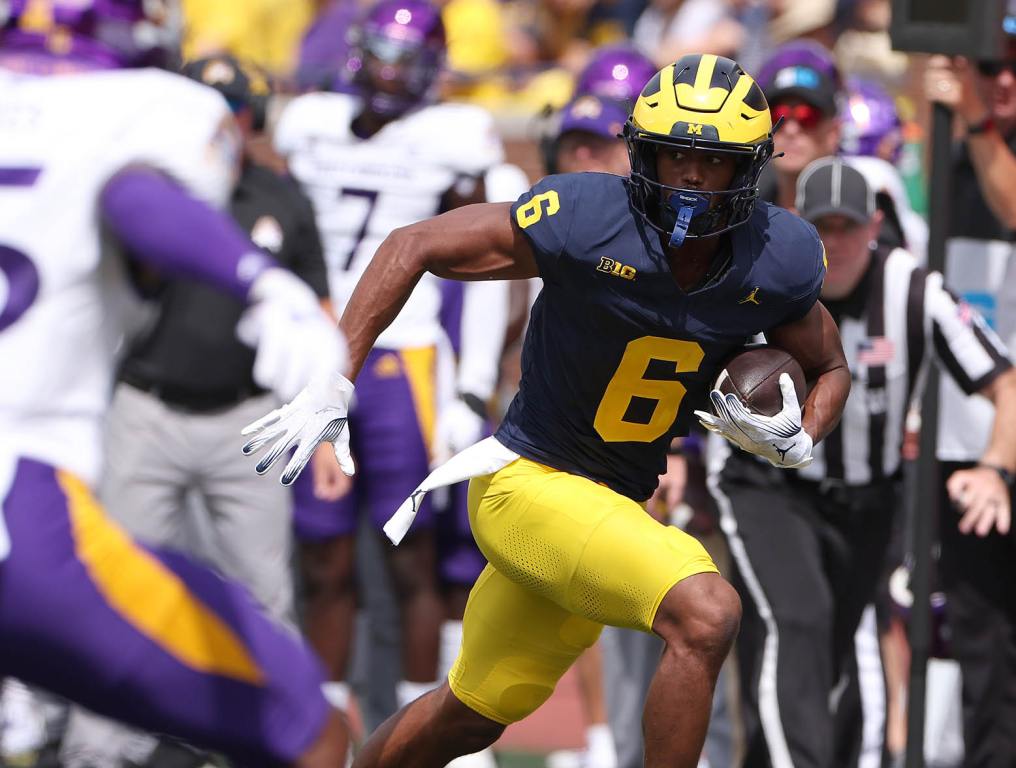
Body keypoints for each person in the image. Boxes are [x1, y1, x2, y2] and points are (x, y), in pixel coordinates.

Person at [244, 53, 851, 768]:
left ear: (747, 169)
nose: (690, 176)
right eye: (675, 154)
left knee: (467, 716)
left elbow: (830, 366)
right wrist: (333, 377)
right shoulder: (589, 218)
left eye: (712, 161)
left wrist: (802, 435)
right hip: (526, 483)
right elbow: (414, 244)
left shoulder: (773, 259)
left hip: (610, 505)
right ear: (641, 152)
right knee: (708, 612)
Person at [0, 3, 350, 766]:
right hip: (17, 509)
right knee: (304, 718)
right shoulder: (131, 112)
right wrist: (258, 282)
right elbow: (137, 199)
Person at [707, 156, 1016, 768]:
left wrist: (995, 469)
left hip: (868, 501)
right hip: (770, 487)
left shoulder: (915, 289)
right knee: (798, 620)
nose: (836, 242)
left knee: (836, 651)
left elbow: (1005, 383)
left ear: (875, 225)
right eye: (822, 227)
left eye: (849, 226)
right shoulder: (762, 284)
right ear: (801, 226)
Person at [274, 0, 506, 724]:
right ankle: (325, 728)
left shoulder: (457, 137)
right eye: (381, 54)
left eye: (405, 60)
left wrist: (470, 386)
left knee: (412, 554)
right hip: (316, 358)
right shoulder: (309, 123)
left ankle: (419, 729)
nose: (388, 72)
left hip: (405, 365)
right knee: (322, 560)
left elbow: (491, 271)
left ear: (432, 68)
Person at [925, 48, 1016, 767]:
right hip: (970, 441)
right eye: (989, 64)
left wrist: (978, 119)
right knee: (979, 637)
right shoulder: (950, 155)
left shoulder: (985, 140)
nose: (1004, 79)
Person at [755, 40, 843, 211]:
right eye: (778, 116)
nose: (790, 129)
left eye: (807, 117)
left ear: (834, 132)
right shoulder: (741, 213)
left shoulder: (857, 212)